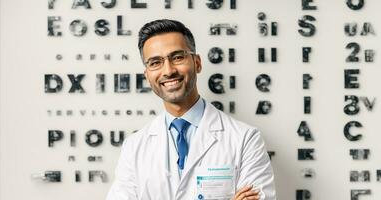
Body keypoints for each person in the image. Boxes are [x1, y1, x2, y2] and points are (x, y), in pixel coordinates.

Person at [105, 19, 276, 200]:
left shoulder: (245, 139)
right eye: (155, 62)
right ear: (147, 75)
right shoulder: (134, 147)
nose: (168, 71)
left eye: (177, 57)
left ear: (197, 63)